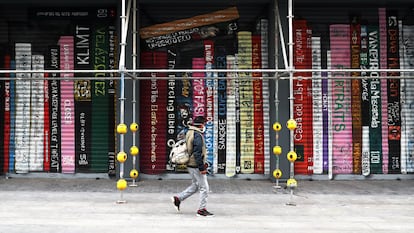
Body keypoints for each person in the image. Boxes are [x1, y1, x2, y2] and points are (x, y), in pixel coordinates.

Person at [171, 116, 214, 217]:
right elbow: (197, 153)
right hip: (195, 164)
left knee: (195, 185)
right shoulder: (197, 135)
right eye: (204, 124)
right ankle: (201, 210)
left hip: (191, 164)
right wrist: (201, 168)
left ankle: (178, 198)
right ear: (201, 125)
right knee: (205, 188)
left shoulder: (190, 132)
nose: (205, 126)